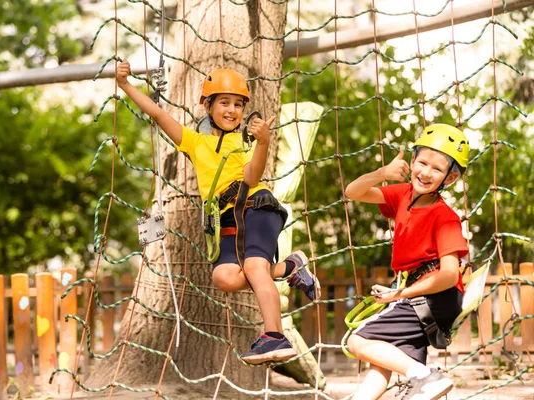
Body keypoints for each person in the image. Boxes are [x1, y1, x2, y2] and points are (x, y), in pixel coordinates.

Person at [116, 60, 320, 364]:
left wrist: (263, 142)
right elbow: (158, 114)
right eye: (224, 102)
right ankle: (290, 267)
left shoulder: (245, 141)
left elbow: (252, 177)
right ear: (208, 106)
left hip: (257, 206)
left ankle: (275, 336)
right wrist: (125, 85)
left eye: (238, 104)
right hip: (225, 217)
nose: (232, 109)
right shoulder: (195, 142)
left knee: (253, 267)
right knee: (225, 277)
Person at [344, 123, 470, 400]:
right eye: (422, 162)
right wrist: (382, 174)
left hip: (434, 296)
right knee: (383, 364)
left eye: (437, 169)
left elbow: (449, 275)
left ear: (449, 179)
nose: (425, 172)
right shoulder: (402, 195)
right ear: (412, 161)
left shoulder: (444, 216)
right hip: (419, 294)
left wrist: (399, 294)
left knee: (359, 340)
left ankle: (427, 377)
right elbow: (352, 192)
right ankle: (419, 378)